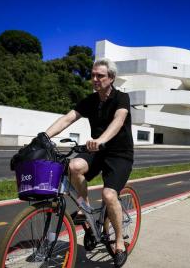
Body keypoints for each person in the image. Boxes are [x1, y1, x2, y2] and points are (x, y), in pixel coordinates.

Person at [45, 58, 133, 267]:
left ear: (111, 78)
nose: (95, 79)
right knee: (74, 166)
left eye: (100, 76)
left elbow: (118, 120)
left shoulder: (122, 98)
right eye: (92, 75)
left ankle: (119, 242)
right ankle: (84, 209)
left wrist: (101, 140)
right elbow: (68, 118)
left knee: (109, 194)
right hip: (97, 151)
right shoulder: (90, 101)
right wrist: (43, 137)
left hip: (119, 154)